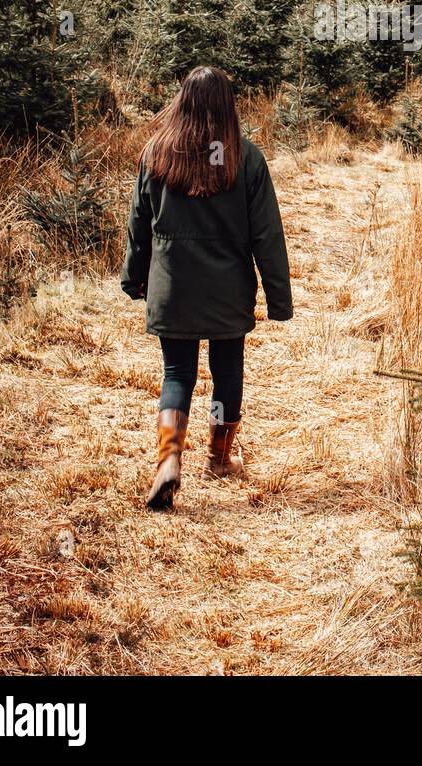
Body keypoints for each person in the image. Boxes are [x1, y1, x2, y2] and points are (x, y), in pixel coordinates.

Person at [121, 66, 292, 510]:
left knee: (177, 373)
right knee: (226, 371)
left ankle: (168, 460)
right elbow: (267, 236)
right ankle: (218, 456)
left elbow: (140, 224)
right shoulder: (244, 158)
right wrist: (278, 298)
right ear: (226, 106)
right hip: (226, 292)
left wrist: (134, 275)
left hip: (173, 288)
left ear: (183, 102)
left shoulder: (157, 154)